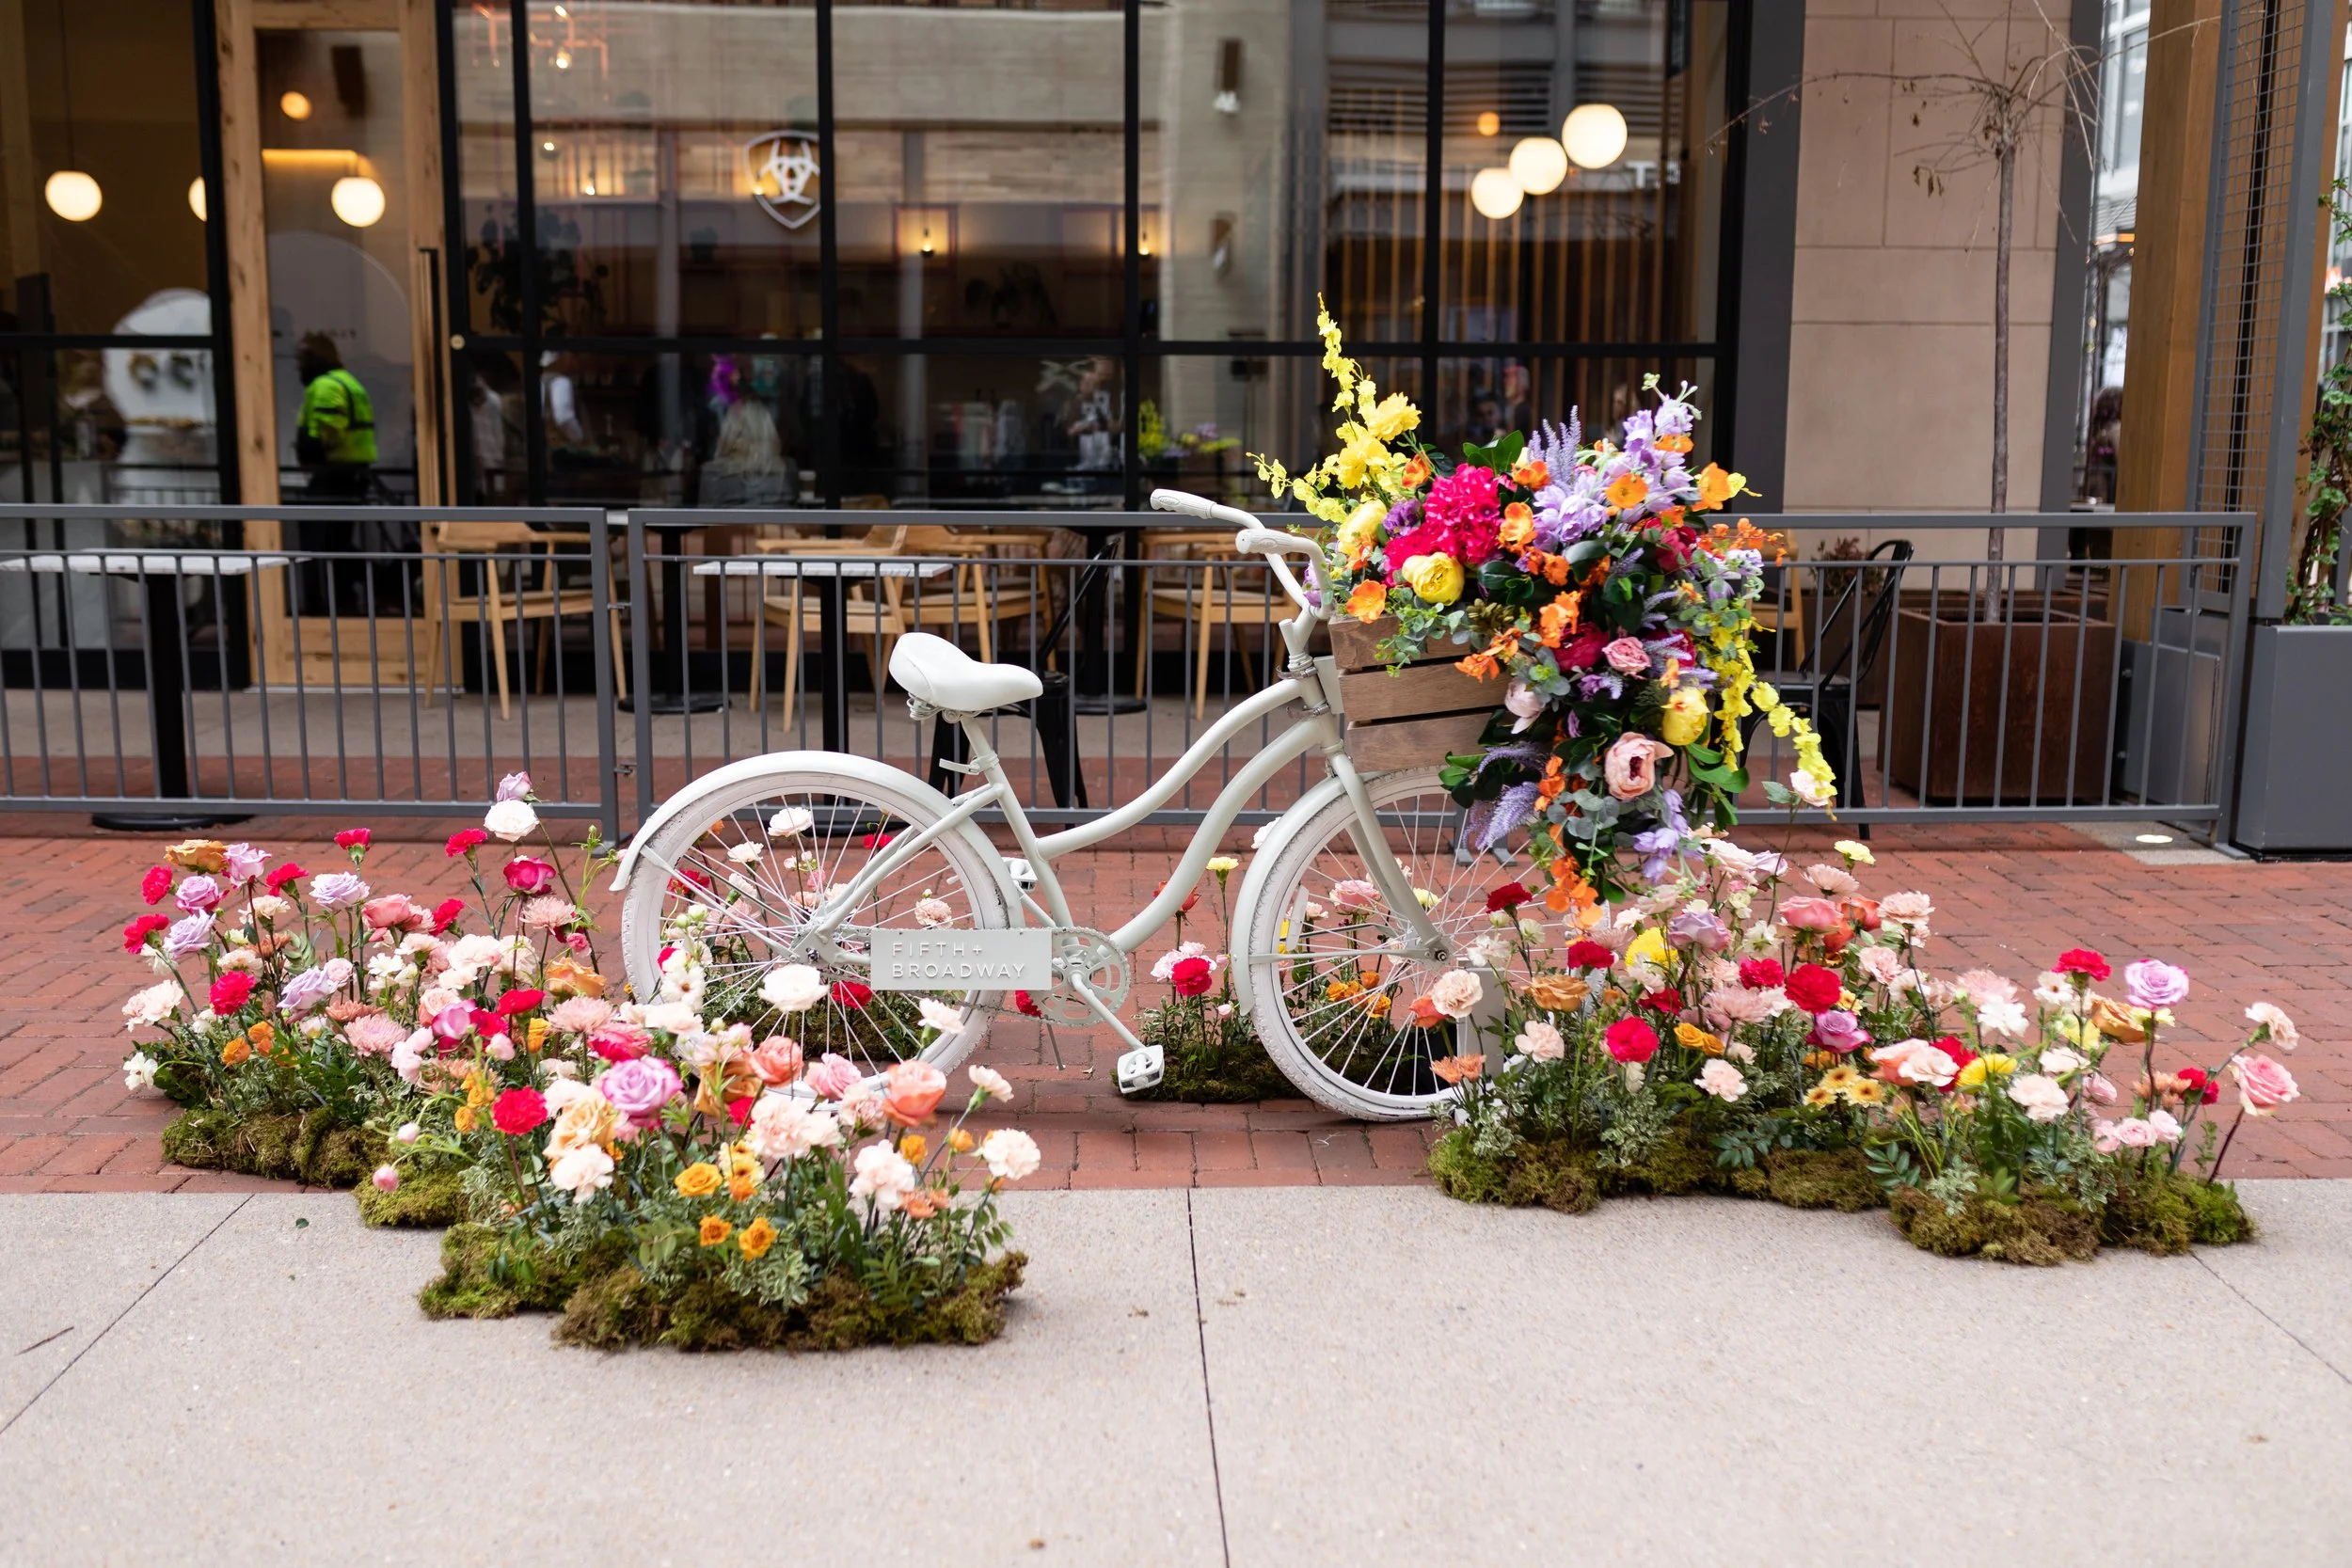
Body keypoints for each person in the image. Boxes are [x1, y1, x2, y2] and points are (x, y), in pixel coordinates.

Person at [294, 332, 376, 499]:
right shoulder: (346, 380)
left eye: (301, 359)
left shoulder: (327, 385)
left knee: (316, 521)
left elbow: (329, 430)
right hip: (352, 471)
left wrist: (310, 452)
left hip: (336, 473)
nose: (298, 366)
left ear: (313, 358)